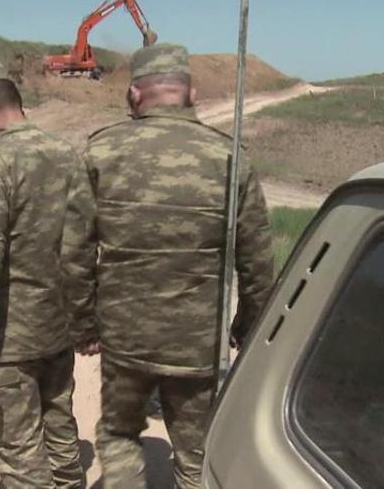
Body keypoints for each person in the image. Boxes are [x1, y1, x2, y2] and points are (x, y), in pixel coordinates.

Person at [70, 43, 275, 488]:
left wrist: (85, 323)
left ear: (133, 95)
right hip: (197, 343)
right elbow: (258, 259)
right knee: (197, 451)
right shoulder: (229, 157)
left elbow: (75, 250)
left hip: (125, 339)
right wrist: (248, 324)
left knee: (118, 433)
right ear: (192, 93)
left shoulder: (101, 151)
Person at [0, 59, 93, 488]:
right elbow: (86, 245)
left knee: (20, 454)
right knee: (62, 437)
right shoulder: (68, 155)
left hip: (9, 342)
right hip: (58, 330)